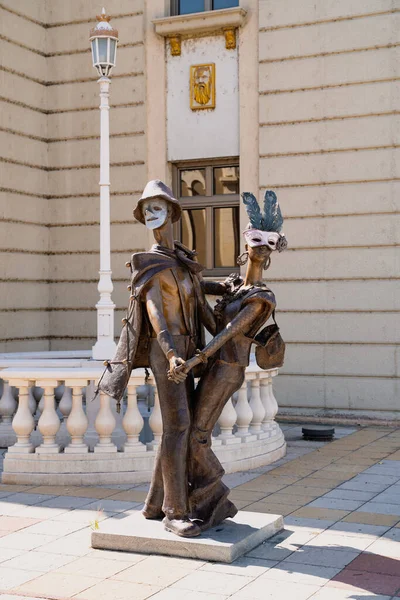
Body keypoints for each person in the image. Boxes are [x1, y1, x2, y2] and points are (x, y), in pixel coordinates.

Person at [99, 180, 215, 538]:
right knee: (179, 426)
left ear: (172, 213)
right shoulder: (149, 264)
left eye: (157, 207)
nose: (151, 213)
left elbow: (205, 313)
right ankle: (174, 511)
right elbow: (155, 315)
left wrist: (238, 328)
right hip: (168, 353)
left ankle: (153, 503)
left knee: (180, 425)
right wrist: (170, 355)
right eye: (146, 208)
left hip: (189, 352)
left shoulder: (183, 265)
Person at [169, 190, 288, 530]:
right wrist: (183, 268)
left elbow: (229, 334)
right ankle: (198, 499)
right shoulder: (234, 285)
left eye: (267, 243)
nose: (260, 248)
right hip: (211, 364)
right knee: (188, 430)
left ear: (272, 251)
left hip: (227, 370)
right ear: (246, 243)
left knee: (197, 436)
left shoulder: (261, 298)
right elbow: (206, 310)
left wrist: (192, 362)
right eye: (255, 239)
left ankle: (214, 498)